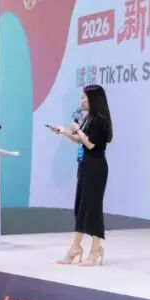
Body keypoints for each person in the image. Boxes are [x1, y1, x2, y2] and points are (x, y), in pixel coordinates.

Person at [52, 84, 112, 266]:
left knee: (93, 208)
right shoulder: (89, 118)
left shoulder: (101, 120)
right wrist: (64, 132)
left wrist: (77, 128)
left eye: (83, 97)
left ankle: (95, 249)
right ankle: (75, 247)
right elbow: (80, 140)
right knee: (81, 206)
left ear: (93, 99)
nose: (81, 101)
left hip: (96, 168)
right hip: (85, 166)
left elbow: (91, 144)